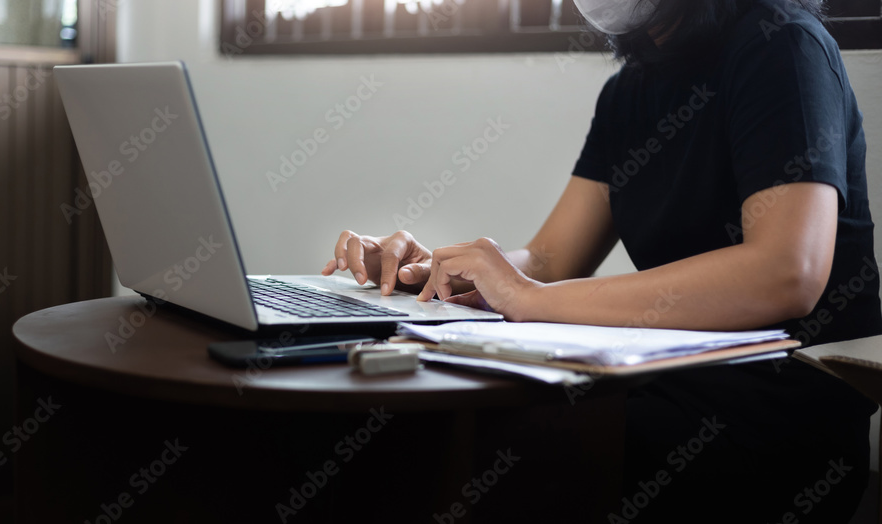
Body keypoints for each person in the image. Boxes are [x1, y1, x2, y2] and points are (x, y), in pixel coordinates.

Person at [322, 0, 881, 521]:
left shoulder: (781, 44)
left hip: (773, 412)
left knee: (500, 450)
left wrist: (527, 298)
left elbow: (785, 274)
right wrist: (438, 269)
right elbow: (548, 257)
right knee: (434, 433)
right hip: (661, 382)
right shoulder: (629, 91)